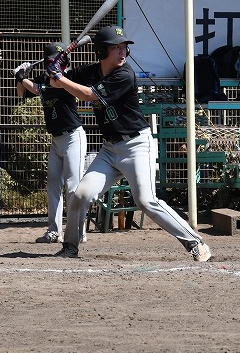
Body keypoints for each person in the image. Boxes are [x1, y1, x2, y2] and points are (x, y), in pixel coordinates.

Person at [46, 25, 211, 261]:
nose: (122, 52)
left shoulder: (125, 75)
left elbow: (88, 95)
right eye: (116, 47)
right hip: (109, 150)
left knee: (146, 201)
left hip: (136, 146)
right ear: (102, 51)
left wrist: (60, 76)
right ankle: (70, 247)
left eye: (124, 47)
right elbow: (55, 85)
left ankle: (195, 242)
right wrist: (57, 70)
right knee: (81, 195)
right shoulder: (90, 71)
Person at [14, 42, 87, 244]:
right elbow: (22, 93)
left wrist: (22, 78)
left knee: (73, 187)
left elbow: (38, 90)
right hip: (56, 140)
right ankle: (54, 231)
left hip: (73, 138)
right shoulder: (44, 78)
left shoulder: (66, 79)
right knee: (53, 186)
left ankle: (78, 231)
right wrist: (21, 75)